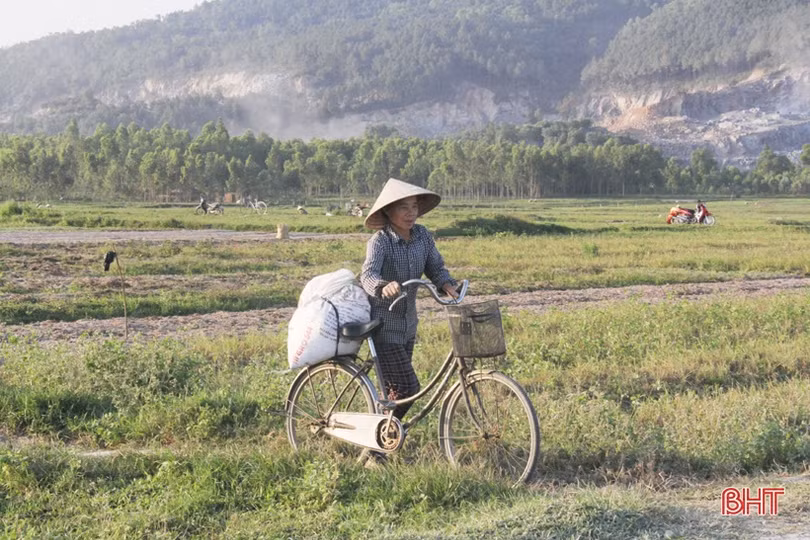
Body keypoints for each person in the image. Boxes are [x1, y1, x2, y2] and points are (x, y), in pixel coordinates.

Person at [360, 178, 458, 429]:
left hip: (408, 326)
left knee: (396, 392)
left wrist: (446, 284)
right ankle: (379, 439)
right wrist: (384, 286)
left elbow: (435, 266)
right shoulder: (380, 241)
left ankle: (385, 436)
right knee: (408, 388)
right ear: (388, 211)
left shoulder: (423, 236)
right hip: (384, 327)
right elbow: (368, 274)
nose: (410, 213)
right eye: (403, 207)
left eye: (414, 207)